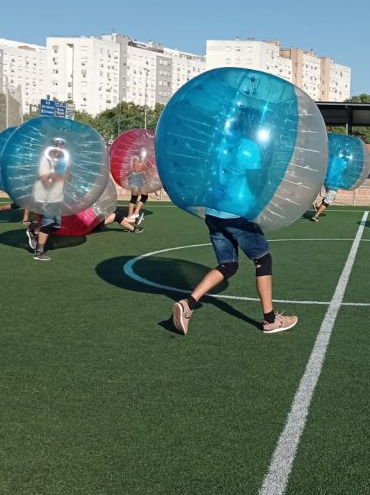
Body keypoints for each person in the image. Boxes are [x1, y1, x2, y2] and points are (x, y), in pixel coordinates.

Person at [171, 111, 296, 335]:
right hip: (237, 215)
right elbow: (254, 184)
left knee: (228, 265)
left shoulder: (217, 147)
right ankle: (270, 320)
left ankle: (187, 304)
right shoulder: (249, 148)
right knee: (263, 260)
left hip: (213, 213)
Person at [26, 138, 69, 260]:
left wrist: (66, 176)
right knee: (48, 222)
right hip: (45, 197)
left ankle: (33, 232)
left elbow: (65, 178)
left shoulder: (62, 161)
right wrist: (59, 175)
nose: (61, 151)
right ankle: (39, 252)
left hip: (57, 197)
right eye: (59, 148)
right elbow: (45, 181)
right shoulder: (44, 160)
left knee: (56, 225)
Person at [125, 148, 151, 224]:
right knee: (144, 197)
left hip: (133, 176)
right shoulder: (139, 159)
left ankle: (130, 215)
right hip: (137, 177)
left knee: (134, 197)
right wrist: (144, 165)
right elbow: (137, 169)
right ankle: (135, 213)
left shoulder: (133, 158)